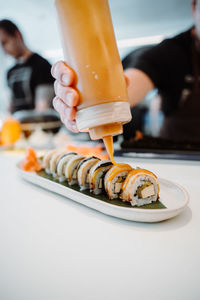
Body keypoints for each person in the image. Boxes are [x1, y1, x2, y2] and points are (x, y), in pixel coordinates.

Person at [51, 0, 200, 142]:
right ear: (194, 7)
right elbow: (129, 86)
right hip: (180, 158)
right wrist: (97, 97)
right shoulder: (172, 52)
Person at [0, 19, 54, 113]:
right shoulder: (10, 72)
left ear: (17, 35)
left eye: (5, 42)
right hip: (17, 126)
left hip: (41, 126)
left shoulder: (42, 65)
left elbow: (43, 109)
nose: (4, 50)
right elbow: (11, 106)